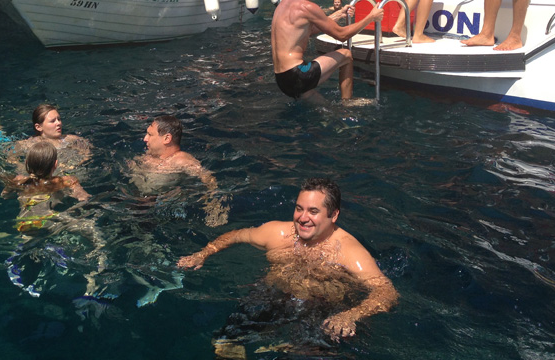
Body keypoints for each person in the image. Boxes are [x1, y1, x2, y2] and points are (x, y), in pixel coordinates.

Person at [177, 178, 398, 345]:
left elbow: (386, 292)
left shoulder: (350, 252)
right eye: (299, 208)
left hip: (321, 310)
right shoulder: (277, 233)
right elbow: (237, 235)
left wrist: (350, 315)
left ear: (333, 215)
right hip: (273, 296)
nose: (303, 218)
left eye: (313, 211)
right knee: (225, 342)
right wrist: (203, 254)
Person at [271, 0, 384, 100]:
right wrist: (371, 17)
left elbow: (307, 31)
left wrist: (339, 14)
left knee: (317, 100)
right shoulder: (308, 7)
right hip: (297, 74)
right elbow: (342, 35)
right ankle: (347, 103)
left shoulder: (284, 2)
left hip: (281, 79)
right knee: (346, 55)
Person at [129, 115, 228, 227]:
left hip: (158, 208)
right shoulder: (149, 156)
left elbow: (208, 179)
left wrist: (215, 207)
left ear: (167, 138)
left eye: (150, 135)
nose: (145, 139)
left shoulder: (182, 160)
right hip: (137, 200)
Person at [2, 140, 90, 233]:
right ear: (55, 164)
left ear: (26, 163)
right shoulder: (65, 181)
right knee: (87, 226)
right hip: (50, 219)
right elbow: (83, 197)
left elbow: (5, 195)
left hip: (25, 223)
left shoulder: (19, 180)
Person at [10, 104, 91, 170]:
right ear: (38, 127)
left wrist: (71, 166)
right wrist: (22, 168)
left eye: (59, 119)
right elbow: (11, 158)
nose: (58, 123)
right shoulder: (30, 144)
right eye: (52, 121)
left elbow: (87, 153)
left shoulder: (70, 139)